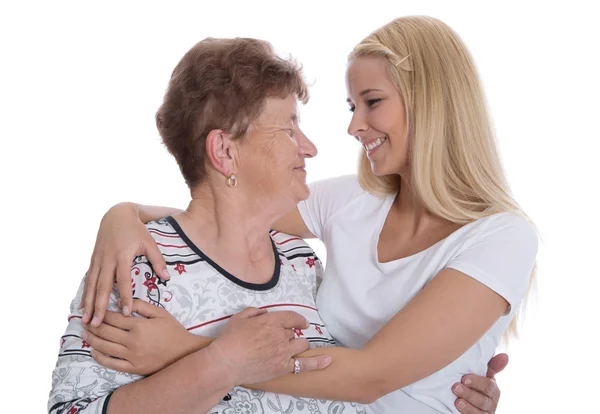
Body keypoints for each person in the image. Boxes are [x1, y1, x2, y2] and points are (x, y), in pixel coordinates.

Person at [80, 15, 535, 414]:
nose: (354, 126)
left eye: (372, 102)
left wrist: (195, 354)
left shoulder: (502, 237)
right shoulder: (353, 200)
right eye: (353, 106)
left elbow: (369, 378)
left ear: (433, 102)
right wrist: (123, 214)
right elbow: (225, 211)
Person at [49, 37, 358, 414]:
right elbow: (72, 410)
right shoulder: (137, 268)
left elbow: (352, 382)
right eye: (289, 129)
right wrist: (220, 363)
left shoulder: (301, 260)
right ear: (225, 152)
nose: (309, 147)